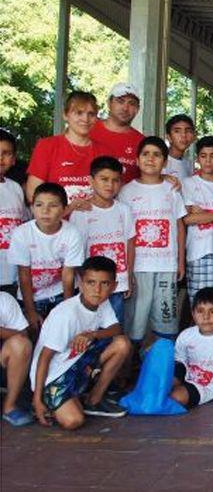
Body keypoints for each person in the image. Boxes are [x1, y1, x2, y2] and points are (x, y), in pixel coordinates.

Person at [30, 256, 132, 429]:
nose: (97, 290)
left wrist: (93, 335)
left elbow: (116, 329)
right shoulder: (66, 314)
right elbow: (45, 357)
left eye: (104, 284)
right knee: (73, 421)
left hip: (77, 362)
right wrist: (36, 399)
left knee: (122, 343)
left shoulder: (102, 302)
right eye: (91, 282)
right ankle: (48, 401)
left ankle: (93, 399)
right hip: (54, 375)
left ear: (113, 286)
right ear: (81, 283)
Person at [118, 137, 186, 344]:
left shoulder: (171, 190)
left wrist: (180, 260)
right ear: (137, 160)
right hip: (138, 266)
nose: (150, 159)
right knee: (136, 320)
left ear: (164, 162)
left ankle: (160, 363)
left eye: (157, 155)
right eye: (145, 154)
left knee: (166, 317)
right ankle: (130, 368)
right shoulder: (126, 191)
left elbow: (180, 226)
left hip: (166, 265)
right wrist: (125, 270)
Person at [69, 157, 135, 324]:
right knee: (90, 328)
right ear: (91, 180)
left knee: (114, 326)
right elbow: (76, 252)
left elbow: (130, 244)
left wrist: (128, 277)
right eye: (104, 179)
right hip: (90, 286)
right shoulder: (81, 213)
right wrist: (82, 282)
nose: (109, 185)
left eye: (115, 180)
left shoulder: (124, 210)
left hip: (117, 284)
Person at [9, 182, 84, 328]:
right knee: (34, 336)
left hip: (60, 294)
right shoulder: (21, 233)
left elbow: (68, 275)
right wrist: (30, 312)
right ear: (31, 208)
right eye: (39, 205)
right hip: (31, 298)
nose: (45, 211)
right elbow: (24, 275)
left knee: (63, 330)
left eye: (53, 205)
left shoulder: (72, 233)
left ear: (64, 209)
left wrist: (66, 309)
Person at [25, 91, 111, 205]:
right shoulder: (47, 146)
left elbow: (110, 193)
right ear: (65, 115)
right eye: (79, 113)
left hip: (94, 219)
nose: (85, 119)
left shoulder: (105, 151)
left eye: (91, 114)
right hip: (58, 220)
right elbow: (33, 194)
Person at [181, 136, 213, 314]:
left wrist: (203, 214)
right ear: (197, 159)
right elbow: (187, 219)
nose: (208, 161)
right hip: (199, 251)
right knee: (202, 305)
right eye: (203, 156)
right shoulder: (188, 184)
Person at [89, 83, 144, 184]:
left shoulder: (142, 143)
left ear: (137, 109)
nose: (125, 108)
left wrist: (164, 177)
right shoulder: (88, 129)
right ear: (109, 103)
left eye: (131, 103)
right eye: (120, 101)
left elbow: (149, 176)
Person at [0, 129, 28, 295]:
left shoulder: (15, 188)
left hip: (13, 275)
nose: (1, 158)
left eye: (6, 153)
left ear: (14, 159)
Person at [1, 291, 32, 426]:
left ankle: (9, 406)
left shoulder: (4, 299)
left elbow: (23, 334)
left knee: (21, 345)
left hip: (3, 362)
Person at [161, 114, 196, 180]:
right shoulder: (160, 162)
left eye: (188, 131)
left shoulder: (189, 164)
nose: (183, 135)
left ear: (193, 137)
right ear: (169, 137)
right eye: (177, 131)